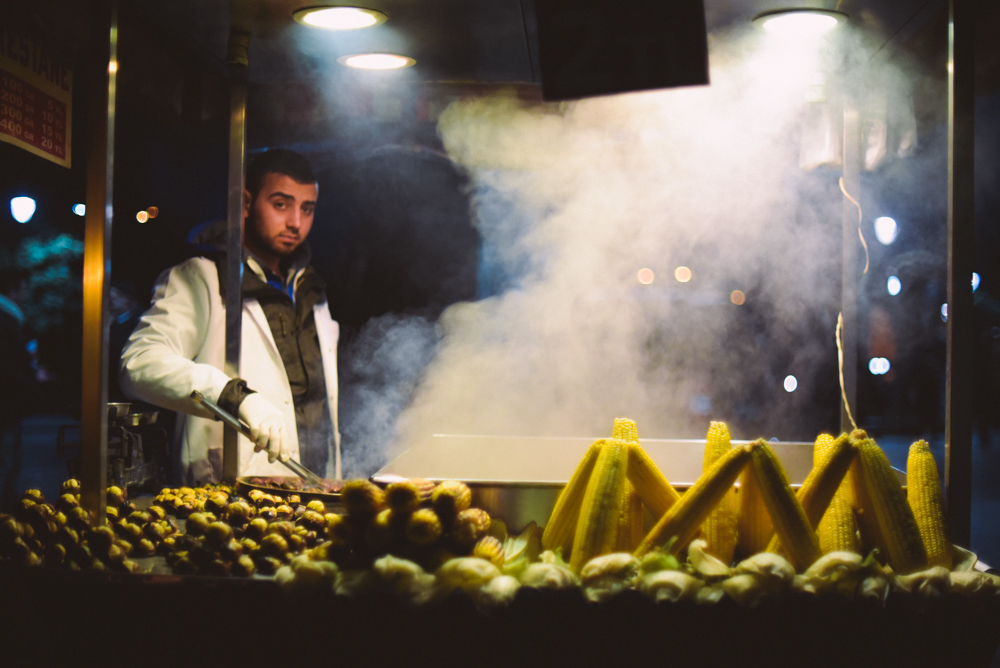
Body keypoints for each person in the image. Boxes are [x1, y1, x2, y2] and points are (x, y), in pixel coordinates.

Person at [120, 149, 340, 483]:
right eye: (281, 204)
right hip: (227, 491)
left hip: (315, 487)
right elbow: (139, 363)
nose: (296, 222)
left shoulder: (311, 289)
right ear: (247, 203)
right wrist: (233, 397)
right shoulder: (202, 278)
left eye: (307, 209)